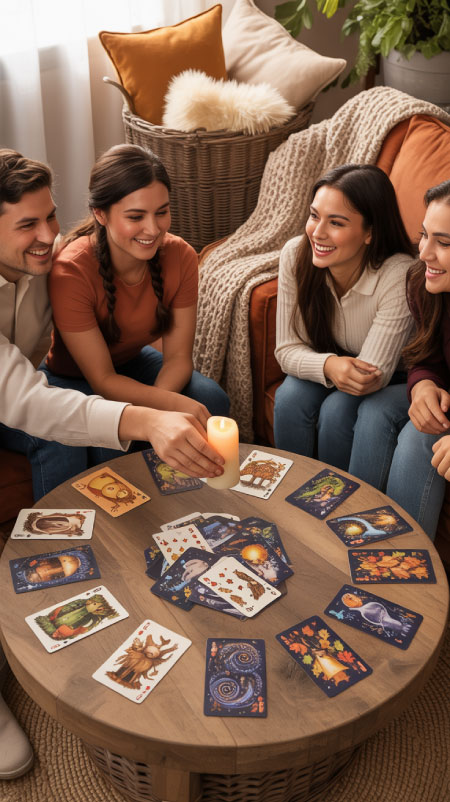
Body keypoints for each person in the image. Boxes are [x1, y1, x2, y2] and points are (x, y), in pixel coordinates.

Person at [0, 148, 224, 779]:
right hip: (26, 393)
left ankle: (131, 560)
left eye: (50, 218)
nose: (48, 235)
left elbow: (37, 384)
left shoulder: (47, 266)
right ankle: (56, 592)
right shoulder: (69, 265)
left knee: (84, 434)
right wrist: (148, 419)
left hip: (25, 389)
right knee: (58, 435)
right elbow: (42, 397)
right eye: (28, 225)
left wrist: (169, 406)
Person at [42, 144, 229, 463]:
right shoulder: (70, 270)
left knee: (211, 398)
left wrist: (166, 403)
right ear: (100, 213)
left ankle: (190, 503)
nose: (153, 229)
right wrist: (161, 413)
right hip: (72, 378)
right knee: (113, 437)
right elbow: (103, 380)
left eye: (161, 212)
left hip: (131, 363)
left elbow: (179, 358)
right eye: (135, 216)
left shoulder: (181, 256)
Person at [273, 163, 416, 469]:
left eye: (336, 223)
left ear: (369, 233)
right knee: (289, 397)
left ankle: (332, 506)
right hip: (336, 361)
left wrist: (333, 367)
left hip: (396, 377)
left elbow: (371, 375)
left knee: (338, 410)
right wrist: (329, 364)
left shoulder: (398, 273)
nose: (317, 232)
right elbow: (285, 350)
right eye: (314, 216)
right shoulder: (294, 255)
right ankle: (287, 496)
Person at [349, 180, 450, 540]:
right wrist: (423, 383)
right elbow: (427, 356)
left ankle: (402, 569)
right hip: (445, 395)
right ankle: (355, 535)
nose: (424, 253)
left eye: (444, 242)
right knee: (376, 409)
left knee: (420, 438)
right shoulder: (424, 283)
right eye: (424, 236)